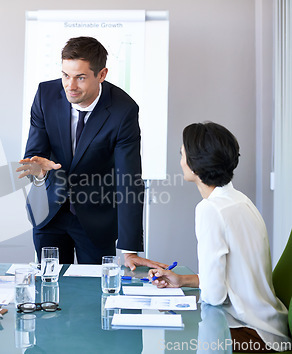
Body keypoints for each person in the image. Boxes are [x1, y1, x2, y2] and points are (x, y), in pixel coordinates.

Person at [17, 36, 166, 268]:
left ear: (102, 75)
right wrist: (39, 172)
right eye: (65, 75)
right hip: (50, 211)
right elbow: (34, 157)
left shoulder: (123, 111)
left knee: (95, 293)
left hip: (97, 218)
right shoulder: (45, 95)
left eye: (81, 77)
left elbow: (129, 180)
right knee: (50, 291)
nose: (70, 85)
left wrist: (129, 249)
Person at [149, 122, 291, 352]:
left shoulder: (210, 209)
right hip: (271, 327)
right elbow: (232, 277)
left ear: (195, 163)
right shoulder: (240, 200)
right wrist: (183, 280)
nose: (180, 160)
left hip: (251, 333)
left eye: (182, 153)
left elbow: (214, 295)